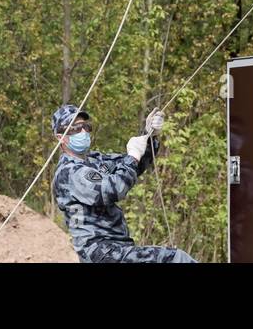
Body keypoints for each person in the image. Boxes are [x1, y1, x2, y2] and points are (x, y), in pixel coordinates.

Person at [50, 103, 195, 263]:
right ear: (61, 138)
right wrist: (133, 156)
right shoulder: (69, 172)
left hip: (115, 247)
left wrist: (149, 136)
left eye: (86, 126)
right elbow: (114, 189)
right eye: (76, 129)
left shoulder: (93, 160)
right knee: (176, 258)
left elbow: (132, 165)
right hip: (100, 251)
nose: (83, 132)